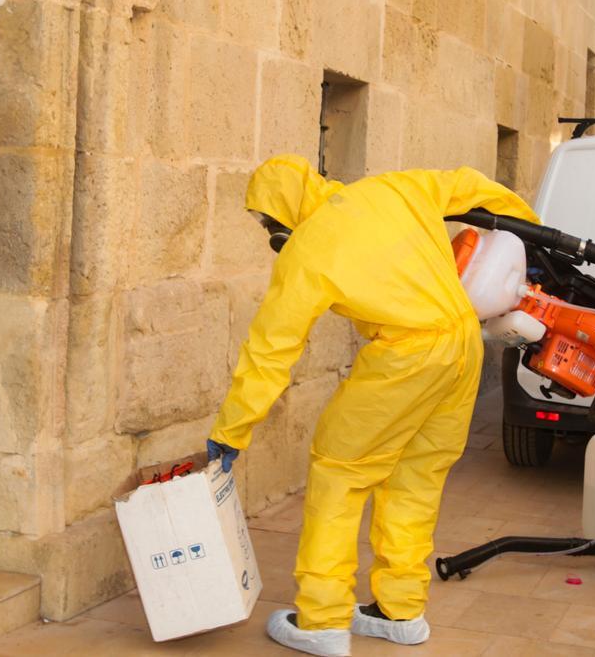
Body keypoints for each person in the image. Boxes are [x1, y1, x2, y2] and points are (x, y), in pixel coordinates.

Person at [205, 155, 540, 656]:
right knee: (417, 478)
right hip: (463, 346)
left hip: (404, 357)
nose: (272, 234)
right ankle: (400, 611)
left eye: (269, 223)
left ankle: (320, 620)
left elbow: (271, 349)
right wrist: (533, 232)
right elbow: (470, 184)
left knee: (339, 473)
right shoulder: (396, 188)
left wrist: (232, 430)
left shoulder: (307, 247)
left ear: (282, 211)